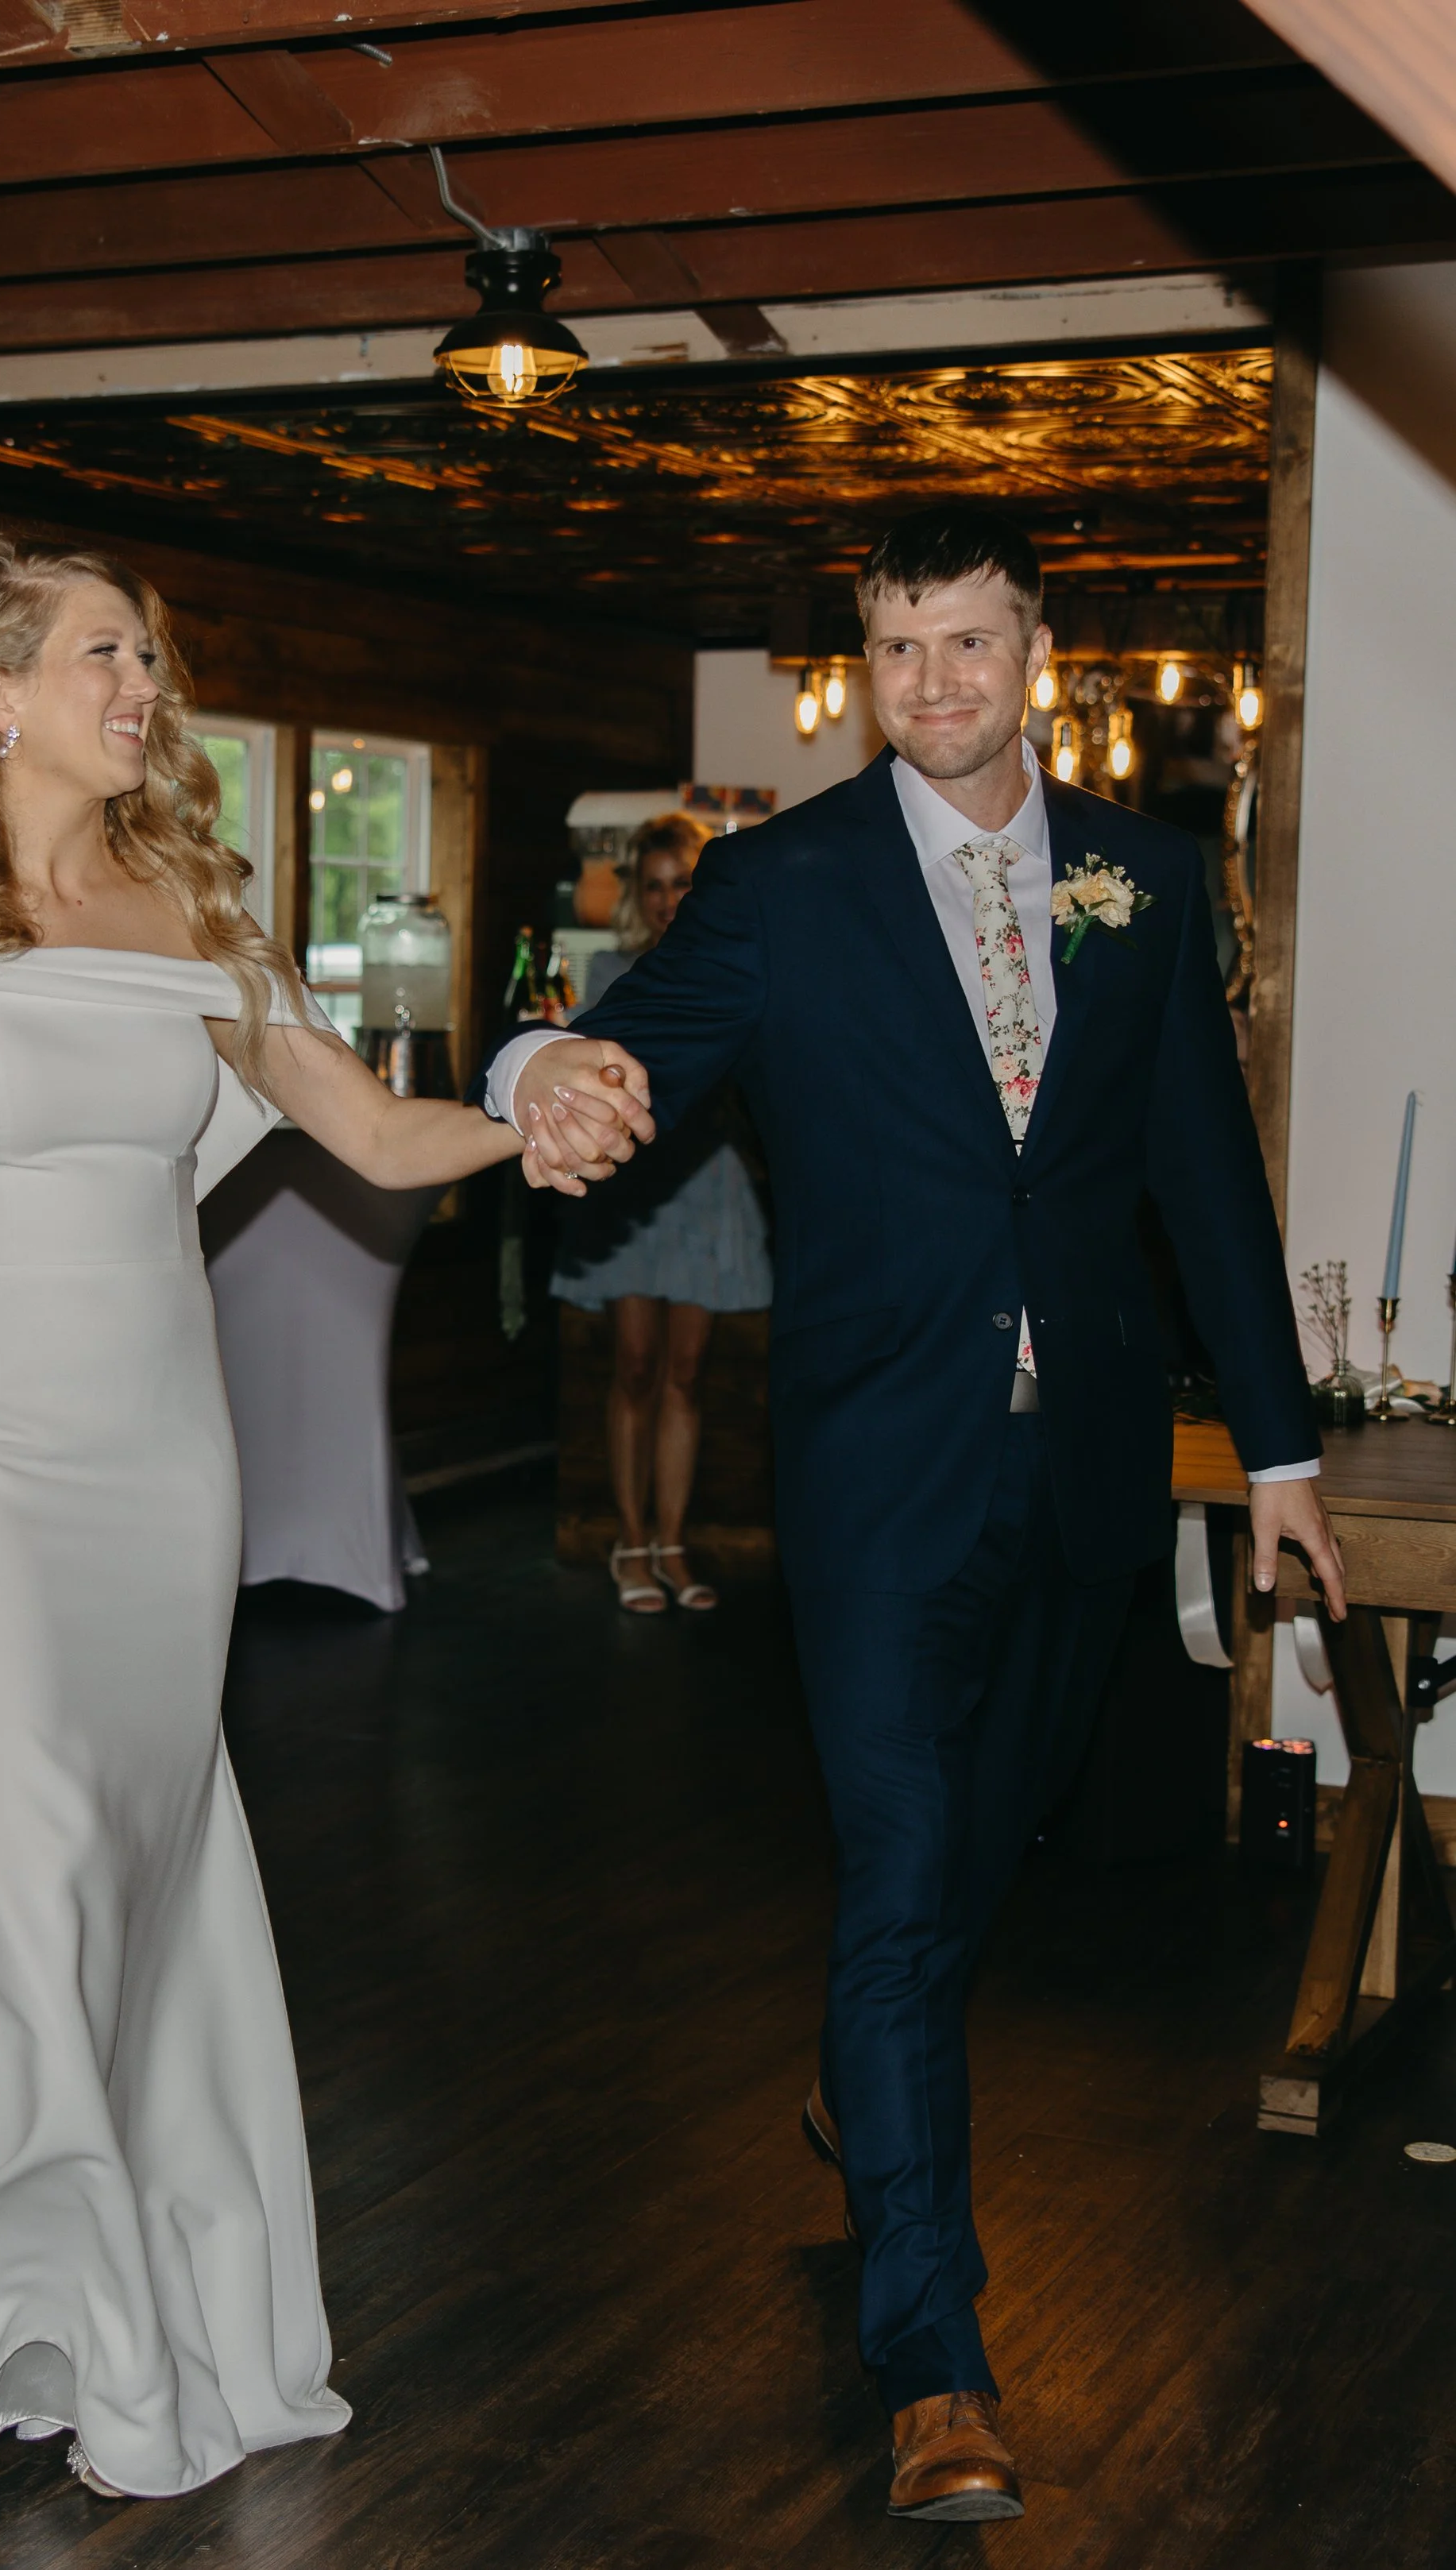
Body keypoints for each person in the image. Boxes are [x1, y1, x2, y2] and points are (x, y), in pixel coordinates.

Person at [0, 536, 651, 2563]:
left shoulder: (192, 907)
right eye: (109, 653)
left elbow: (367, 1128)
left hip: (161, 1464)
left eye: (151, 656)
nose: (144, 684)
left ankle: (98, 2340)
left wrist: (535, 1117)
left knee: (127, 1884)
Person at [493, 506, 1345, 2522]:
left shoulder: (1143, 875)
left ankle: (860, 2094)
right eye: (900, 651)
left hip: (1087, 1465)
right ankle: (931, 2353)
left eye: (970, 644)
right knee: (891, 1874)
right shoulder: (786, 888)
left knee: (987, 1839)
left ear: (1034, 646)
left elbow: (1204, 1174)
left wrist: (1286, 1454)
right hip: (876, 1466)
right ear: (864, 668)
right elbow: (623, 1041)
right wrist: (541, 1065)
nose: (936, 686)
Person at [552, 812, 771, 1613]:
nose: (668, 899)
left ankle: (672, 1543)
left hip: (708, 1182)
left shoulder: (731, 969)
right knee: (634, 1367)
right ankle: (629, 1538)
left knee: (686, 1373)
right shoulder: (612, 969)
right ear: (636, 898)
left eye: (682, 882)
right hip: (633, 1191)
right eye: (654, 886)